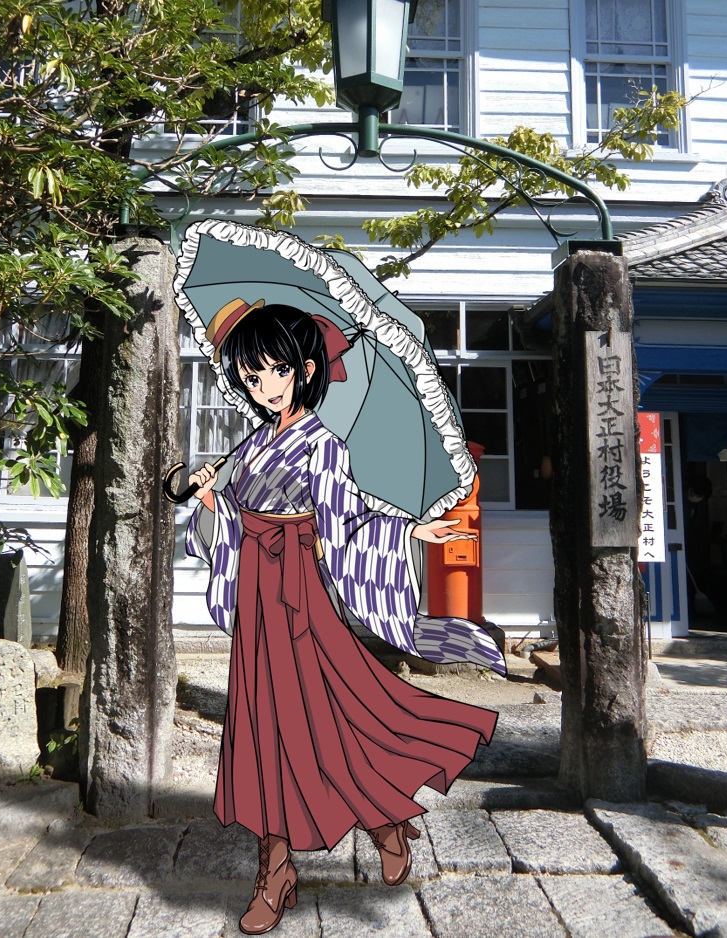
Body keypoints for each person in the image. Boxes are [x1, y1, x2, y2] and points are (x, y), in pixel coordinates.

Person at [185, 299, 501, 936]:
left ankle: (383, 820)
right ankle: (276, 868)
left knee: (328, 719)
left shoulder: (323, 445)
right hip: (256, 593)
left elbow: (347, 518)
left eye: (276, 371)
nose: (262, 385)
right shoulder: (252, 444)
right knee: (259, 725)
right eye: (250, 374)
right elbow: (234, 515)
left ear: (305, 371)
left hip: (298, 592)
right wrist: (212, 497)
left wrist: (410, 528)